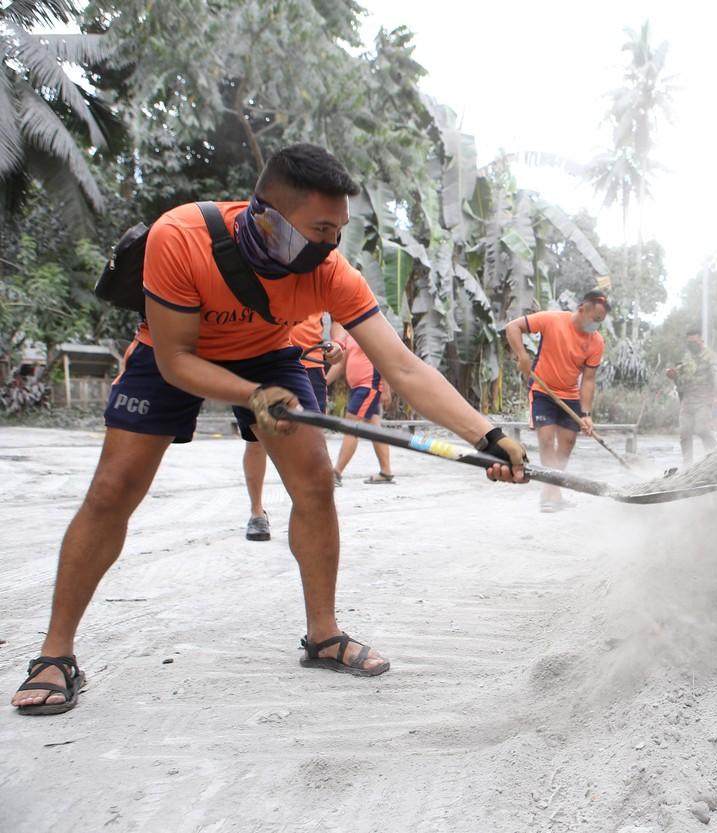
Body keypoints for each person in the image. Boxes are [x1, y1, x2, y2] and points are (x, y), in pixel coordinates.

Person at [11, 143, 525, 716]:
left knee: (315, 485)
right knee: (112, 492)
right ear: (266, 213)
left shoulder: (331, 273)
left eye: (341, 229)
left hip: (271, 356)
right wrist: (253, 398)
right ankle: (56, 653)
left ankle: (323, 635)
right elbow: (178, 359)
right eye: (320, 228)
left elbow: (402, 366)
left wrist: (489, 435)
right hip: (172, 353)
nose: (332, 243)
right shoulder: (181, 236)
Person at [503, 290, 608, 512]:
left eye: (600, 322)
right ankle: (551, 495)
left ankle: (552, 489)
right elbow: (513, 327)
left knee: (568, 443)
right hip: (543, 389)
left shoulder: (596, 342)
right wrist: (522, 356)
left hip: (570, 394)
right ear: (582, 309)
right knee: (547, 439)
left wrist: (586, 415)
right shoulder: (553, 319)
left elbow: (588, 380)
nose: (596, 326)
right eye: (595, 320)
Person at [242, 312, 343, 540]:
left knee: (315, 446)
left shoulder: (323, 278)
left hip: (310, 365)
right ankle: (257, 513)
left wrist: (336, 342)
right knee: (256, 440)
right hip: (265, 361)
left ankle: (312, 511)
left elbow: (339, 317)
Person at [332, 322, 396, 485]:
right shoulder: (349, 336)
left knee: (351, 426)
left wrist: (386, 389)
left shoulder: (371, 330)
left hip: (369, 386)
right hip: (358, 388)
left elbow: (384, 358)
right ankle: (386, 472)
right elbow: (340, 365)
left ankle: (336, 473)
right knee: (374, 428)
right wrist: (323, 381)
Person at [665, 325, 717, 465]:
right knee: (684, 433)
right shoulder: (687, 357)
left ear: (701, 340)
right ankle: (687, 465)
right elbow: (683, 379)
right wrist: (674, 376)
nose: (692, 345)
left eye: (695, 342)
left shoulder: (711, 356)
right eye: (689, 343)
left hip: (704, 398)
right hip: (688, 399)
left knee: (701, 429)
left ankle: (716, 458)